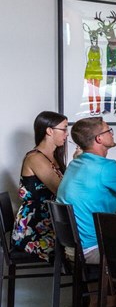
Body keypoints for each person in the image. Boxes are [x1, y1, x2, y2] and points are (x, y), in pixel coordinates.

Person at [55, 117, 116, 264]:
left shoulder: (75, 164)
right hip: (93, 249)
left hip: (72, 247)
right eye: (109, 130)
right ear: (99, 138)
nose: (112, 133)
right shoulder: (105, 167)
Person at [12, 111, 68, 262]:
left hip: (50, 221)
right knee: (80, 246)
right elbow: (62, 191)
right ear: (49, 131)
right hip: (34, 228)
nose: (66, 134)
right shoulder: (35, 158)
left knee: (85, 241)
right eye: (63, 129)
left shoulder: (54, 157)